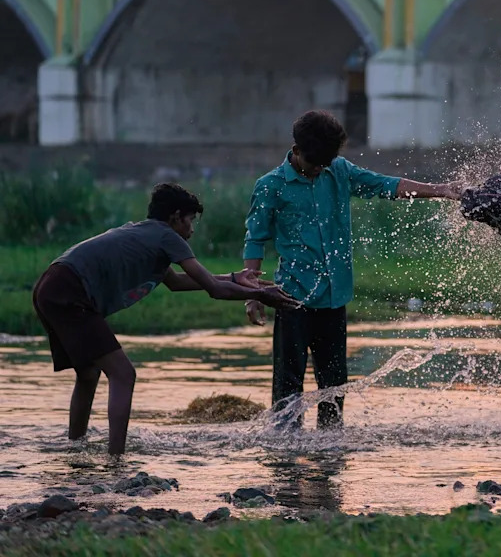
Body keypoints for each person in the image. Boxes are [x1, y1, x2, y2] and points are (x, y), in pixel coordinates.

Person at [32, 183, 300, 456]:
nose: (192, 229)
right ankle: (116, 459)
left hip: (50, 286)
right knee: (123, 373)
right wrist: (263, 295)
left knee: (89, 373)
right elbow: (214, 289)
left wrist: (234, 277)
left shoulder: (146, 233)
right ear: (175, 217)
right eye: (190, 220)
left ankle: (75, 447)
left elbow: (178, 282)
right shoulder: (167, 237)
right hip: (69, 292)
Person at [243, 110, 462, 429]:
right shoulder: (271, 186)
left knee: (334, 385)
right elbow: (255, 240)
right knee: (288, 383)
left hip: (335, 297)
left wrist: (441, 189)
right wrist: (252, 296)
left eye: (326, 164)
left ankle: (329, 457)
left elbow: (386, 186)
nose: (320, 170)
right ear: (297, 150)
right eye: (315, 164)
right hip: (291, 297)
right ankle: (284, 459)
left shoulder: (339, 170)